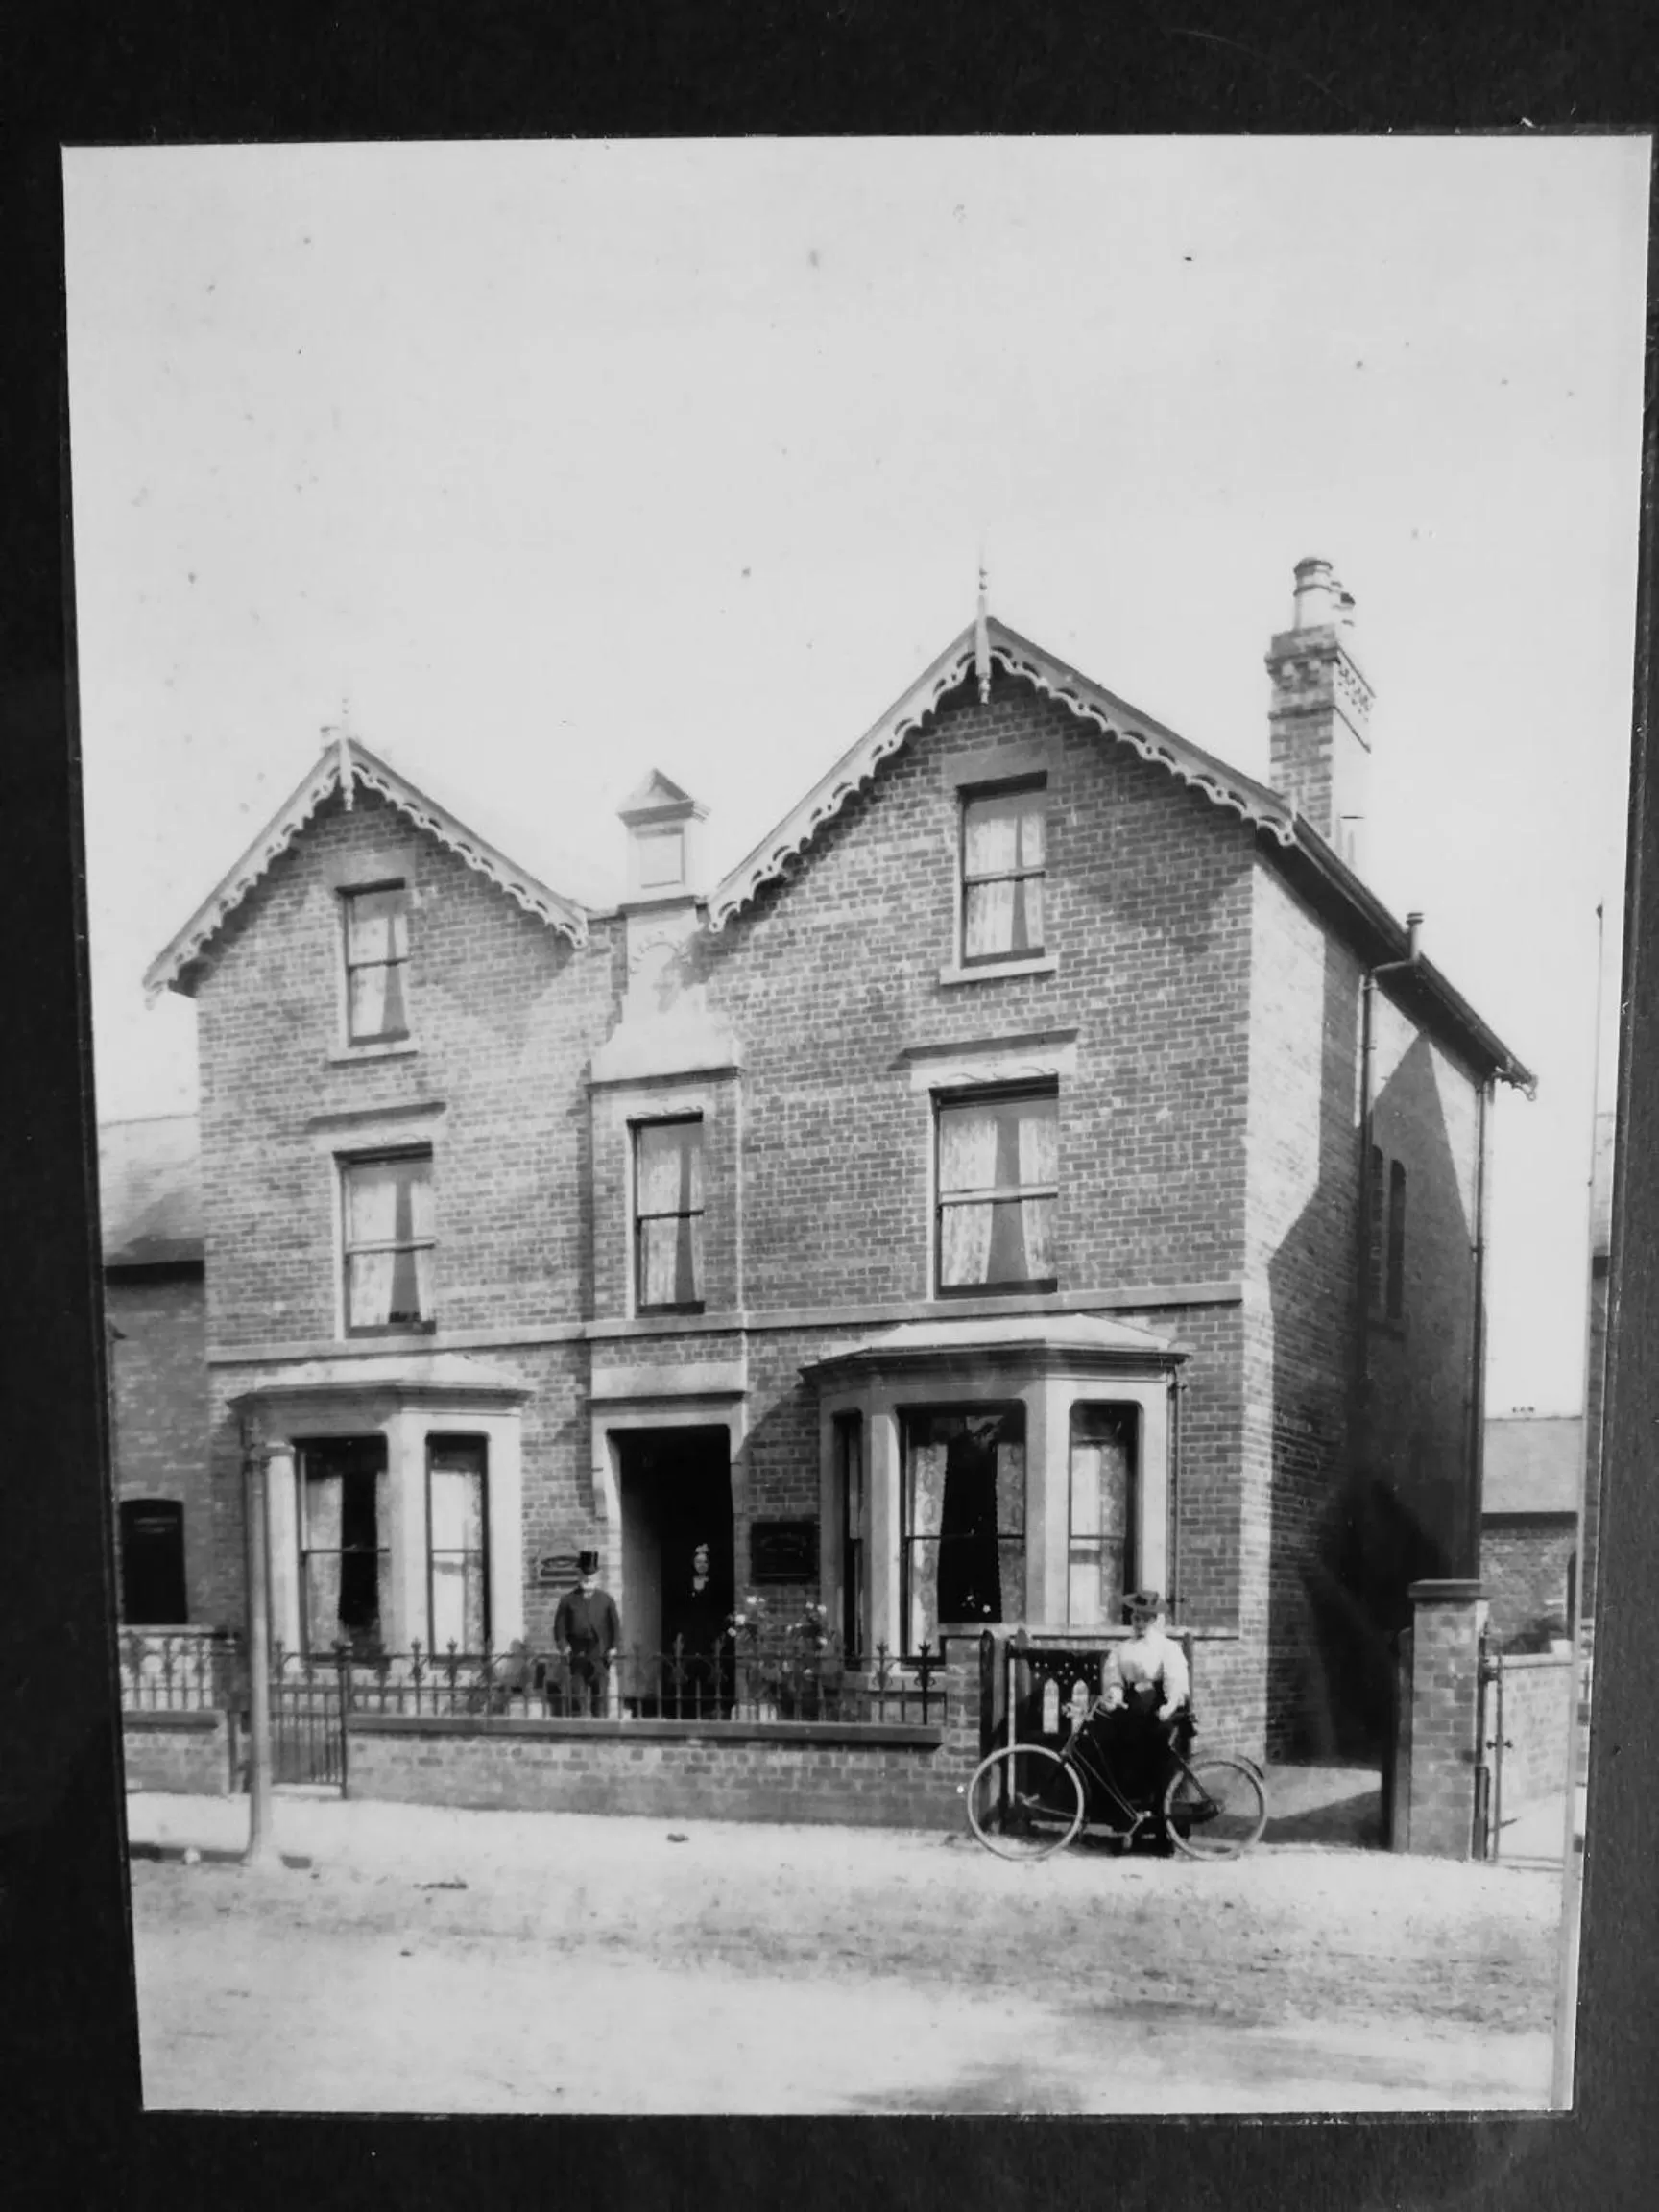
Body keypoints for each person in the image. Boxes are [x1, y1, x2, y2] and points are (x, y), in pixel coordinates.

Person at [1090, 1589, 1191, 1818]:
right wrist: (1113, 1697)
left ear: (1154, 1620)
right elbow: (1115, 1682)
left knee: (1160, 1755)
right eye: (1136, 1617)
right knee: (1120, 1754)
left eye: (1146, 1618)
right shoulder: (1122, 1649)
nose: (1140, 1622)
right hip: (1132, 1708)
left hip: (1158, 1707)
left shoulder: (1167, 1647)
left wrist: (1171, 1704)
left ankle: (1163, 1824)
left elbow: (1175, 1681)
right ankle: (1128, 1821)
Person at [553, 1551, 620, 1717]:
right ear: (578, 1574)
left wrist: (613, 1647)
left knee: (600, 1697)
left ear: (597, 1575)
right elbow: (559, 1628)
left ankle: (600, 1731)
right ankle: (579, 1730)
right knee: (577, 1697)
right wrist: (563, 1646)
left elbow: (615, 1626)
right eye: (584, 1573)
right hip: (577, 1654)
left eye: (591, 1574)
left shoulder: (606, 1600)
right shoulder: (568, 1600)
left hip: (600, 1654)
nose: (587, 1578)